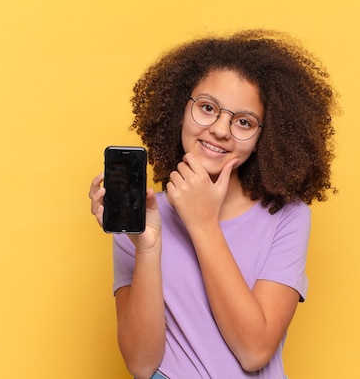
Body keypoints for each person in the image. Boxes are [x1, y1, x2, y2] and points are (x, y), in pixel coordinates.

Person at [89, 29, 339, 379]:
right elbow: (141, 365)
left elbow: (254, 352)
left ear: (265, 136)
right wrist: (148, 247)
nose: (221, 130)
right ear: (180, 109)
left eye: (243, 122)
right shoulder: (143, 217)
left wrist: (202, 223)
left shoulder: (288, 217)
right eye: (207, 108)